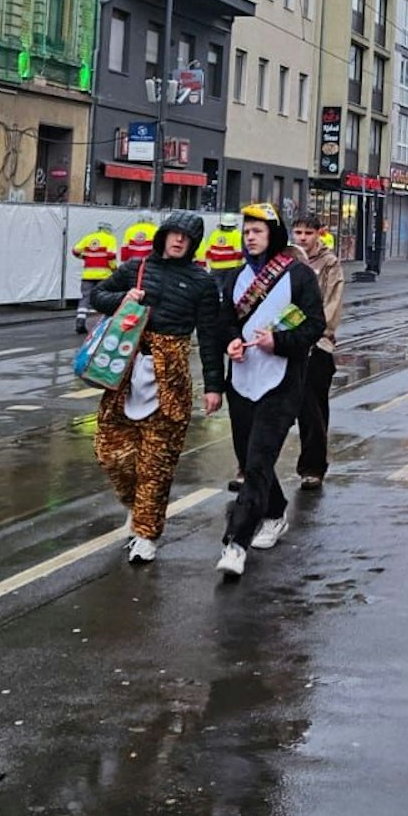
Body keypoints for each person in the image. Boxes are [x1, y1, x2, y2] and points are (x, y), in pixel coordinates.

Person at [91, 211, 234, 564]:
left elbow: (210, 336)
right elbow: (98, 294)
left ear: (193, 244)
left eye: (186, 237)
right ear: (162, 236)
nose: (178, 241)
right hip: (124, 370)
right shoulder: (136, 268)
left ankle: (146, 535)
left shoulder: (201, 282)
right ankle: (137, 506)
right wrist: (124, 299)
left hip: (170, 379)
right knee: (112, 453)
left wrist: (214, 387)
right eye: (173, 234)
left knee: (156, 465)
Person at [217, 204, 325, 577]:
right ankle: (276, 513)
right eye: (246, 231)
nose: (250, 236)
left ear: (274, 235)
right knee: (250, 460)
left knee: (258, 462)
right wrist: (231, 341)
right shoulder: (235, 278)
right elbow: (226, 320)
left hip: (280, 383)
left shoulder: (298, 276)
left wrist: (277, 342)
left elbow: (314, 326)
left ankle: (235, 543)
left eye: (258, 231)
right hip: (242, 383)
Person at [293, 215, 344, 491]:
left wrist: (314, 334)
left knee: (312, 409)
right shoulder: (287, 259)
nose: (302, 238)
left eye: (307, 233)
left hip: (317, 345)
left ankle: (313, 467)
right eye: (298, 232)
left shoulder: (329, 264)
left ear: (318, 234)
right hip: (286, 342)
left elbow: (332, 303)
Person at [72, 222, 119, 336]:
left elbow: (75, 250)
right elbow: (111, 256)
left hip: (88, 274)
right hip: (103, 275)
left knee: (85, 298)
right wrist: (114, 269)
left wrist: (84, 257)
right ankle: (104, 325)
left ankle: (80, 321)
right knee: (105, 299)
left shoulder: (89, 237)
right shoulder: (110, 238)